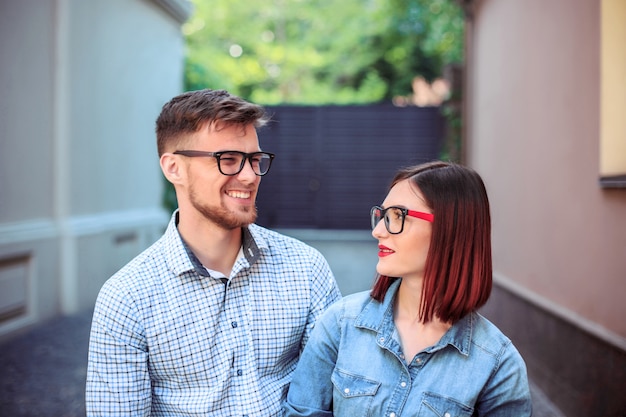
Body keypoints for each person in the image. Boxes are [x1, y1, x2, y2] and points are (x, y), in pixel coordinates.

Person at [86, 89, 342, 416]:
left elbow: (332, 395)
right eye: (228, 159)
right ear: (173, 168)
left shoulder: (306, 269)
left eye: (254, 160)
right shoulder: (127, 298)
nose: (249, 176)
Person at [283, 161, 532, 416]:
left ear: (450, 228)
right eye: (382, 216)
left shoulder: (497, 364)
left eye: (397, 217)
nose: (378, 231)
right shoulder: (340, 324)